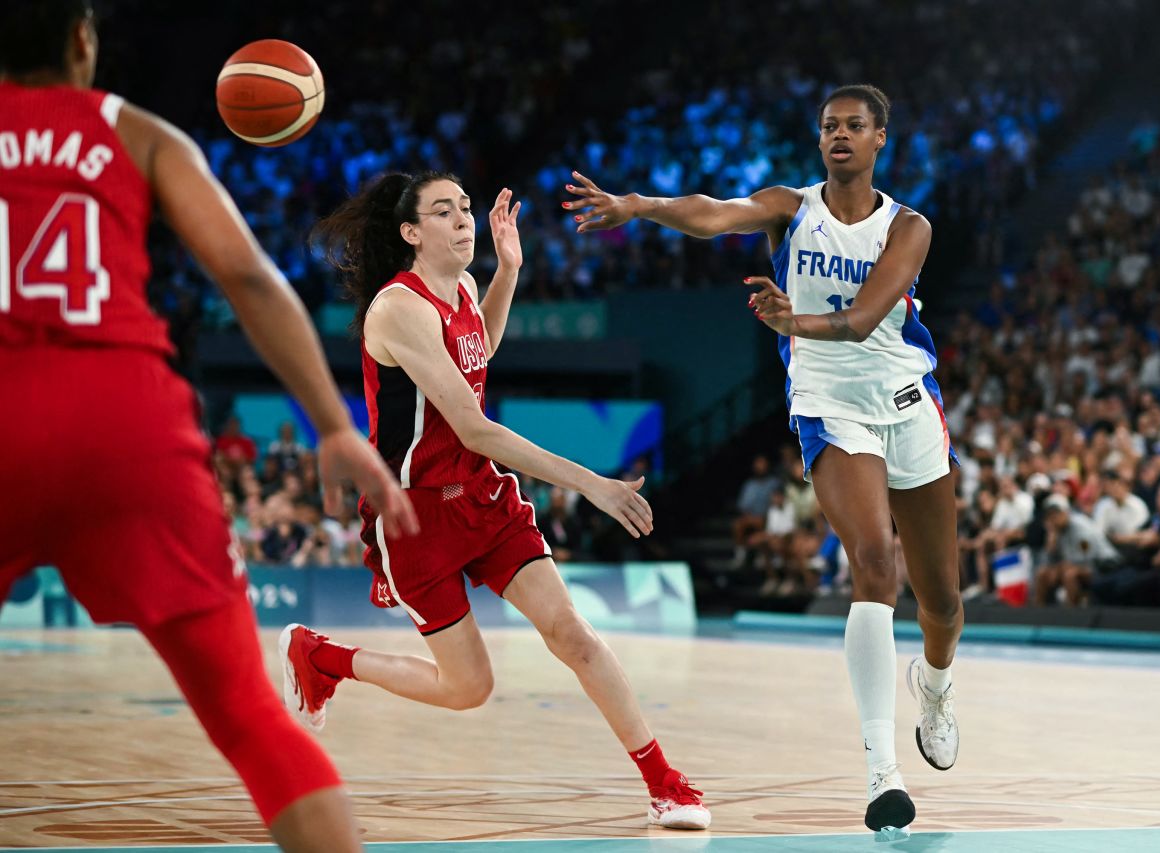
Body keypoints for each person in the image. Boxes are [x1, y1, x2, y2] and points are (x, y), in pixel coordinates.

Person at [0, 2, 420, 850]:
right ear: (83, 40)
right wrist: (335, 426)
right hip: (125, 426)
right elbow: (249, 279)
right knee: (251, 721)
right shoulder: (139, 133)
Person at [564, 83, 960, 834]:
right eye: (828, 127)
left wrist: (793, 318)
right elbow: (714, 213)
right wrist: (641, 205)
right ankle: (883, 771)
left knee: (943, 604)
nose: (838, 136)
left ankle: (934, 688)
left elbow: (870, 314)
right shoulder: (792, 205)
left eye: (854, 126)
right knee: (876, 563)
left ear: (881, 139)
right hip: (828, 404)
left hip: (908, 403)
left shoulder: (909, 227)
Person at [286, 171, 710, 830]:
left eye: (466, 208)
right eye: (444, 212)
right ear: (410, 233)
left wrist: (507, 272)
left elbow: (475, 352)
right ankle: (323, 658)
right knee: (468, 688)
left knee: (573, 635)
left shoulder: (457, 289)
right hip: (415, 514)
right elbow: (475, 424)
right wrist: (591, 482)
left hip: (483, 496)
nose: (463, 221)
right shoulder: (398, 307)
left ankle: (665, 783)